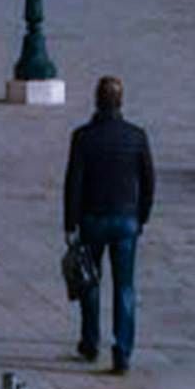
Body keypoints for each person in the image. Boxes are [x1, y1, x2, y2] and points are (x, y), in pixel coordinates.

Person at [62, 75, 154, 366]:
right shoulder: (136, 136)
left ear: (97, 101)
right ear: (120, 102)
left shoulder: (84, 137)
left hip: (92, 219)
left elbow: (73, 183)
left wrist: (69, 223)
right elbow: (149, 181)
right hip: (126, 219)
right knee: (125, 286)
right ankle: (122, 349)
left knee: (90, 281)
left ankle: (91, 342)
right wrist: (142, 217)